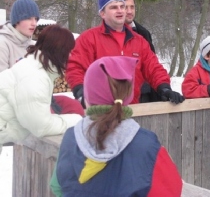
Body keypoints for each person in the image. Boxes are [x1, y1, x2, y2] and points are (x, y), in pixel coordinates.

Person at [50, 56, 183, 196]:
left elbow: (57, 185)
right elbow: (170, 190)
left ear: (87, 97)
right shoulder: (147, 144)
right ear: (127, 96)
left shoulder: (71, 137)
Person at [66, 0, 184, 108]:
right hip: (100, 111)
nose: (120, 10)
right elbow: (75, 68)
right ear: (102, 13)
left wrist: (164, 88)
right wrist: (80, 93)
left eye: (122, 6)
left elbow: (153, 68)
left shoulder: (139, 40)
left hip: (133, 109)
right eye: (113, 7)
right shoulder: (89, 38)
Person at [0, 25, 82, 150]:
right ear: (60, 51)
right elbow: (41, 127)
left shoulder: (34, 65)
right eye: (70, 51)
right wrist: (77, 120)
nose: (72, 56)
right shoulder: (35, 77)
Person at [0, 0, 84, 116]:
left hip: (32, 99)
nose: (34, 23)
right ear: (17, 20)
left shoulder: (31, 45)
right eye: (28, 18)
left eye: (36, 19)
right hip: (11, 107)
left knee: (73, 106)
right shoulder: (3, 44)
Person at [118, 0, 160, 103]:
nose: (130, 11)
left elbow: (152, 64)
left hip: (143, 94)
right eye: (126, 7)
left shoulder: (143, 33)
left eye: (132, 7)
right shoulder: (103, 34)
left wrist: (162, 88)